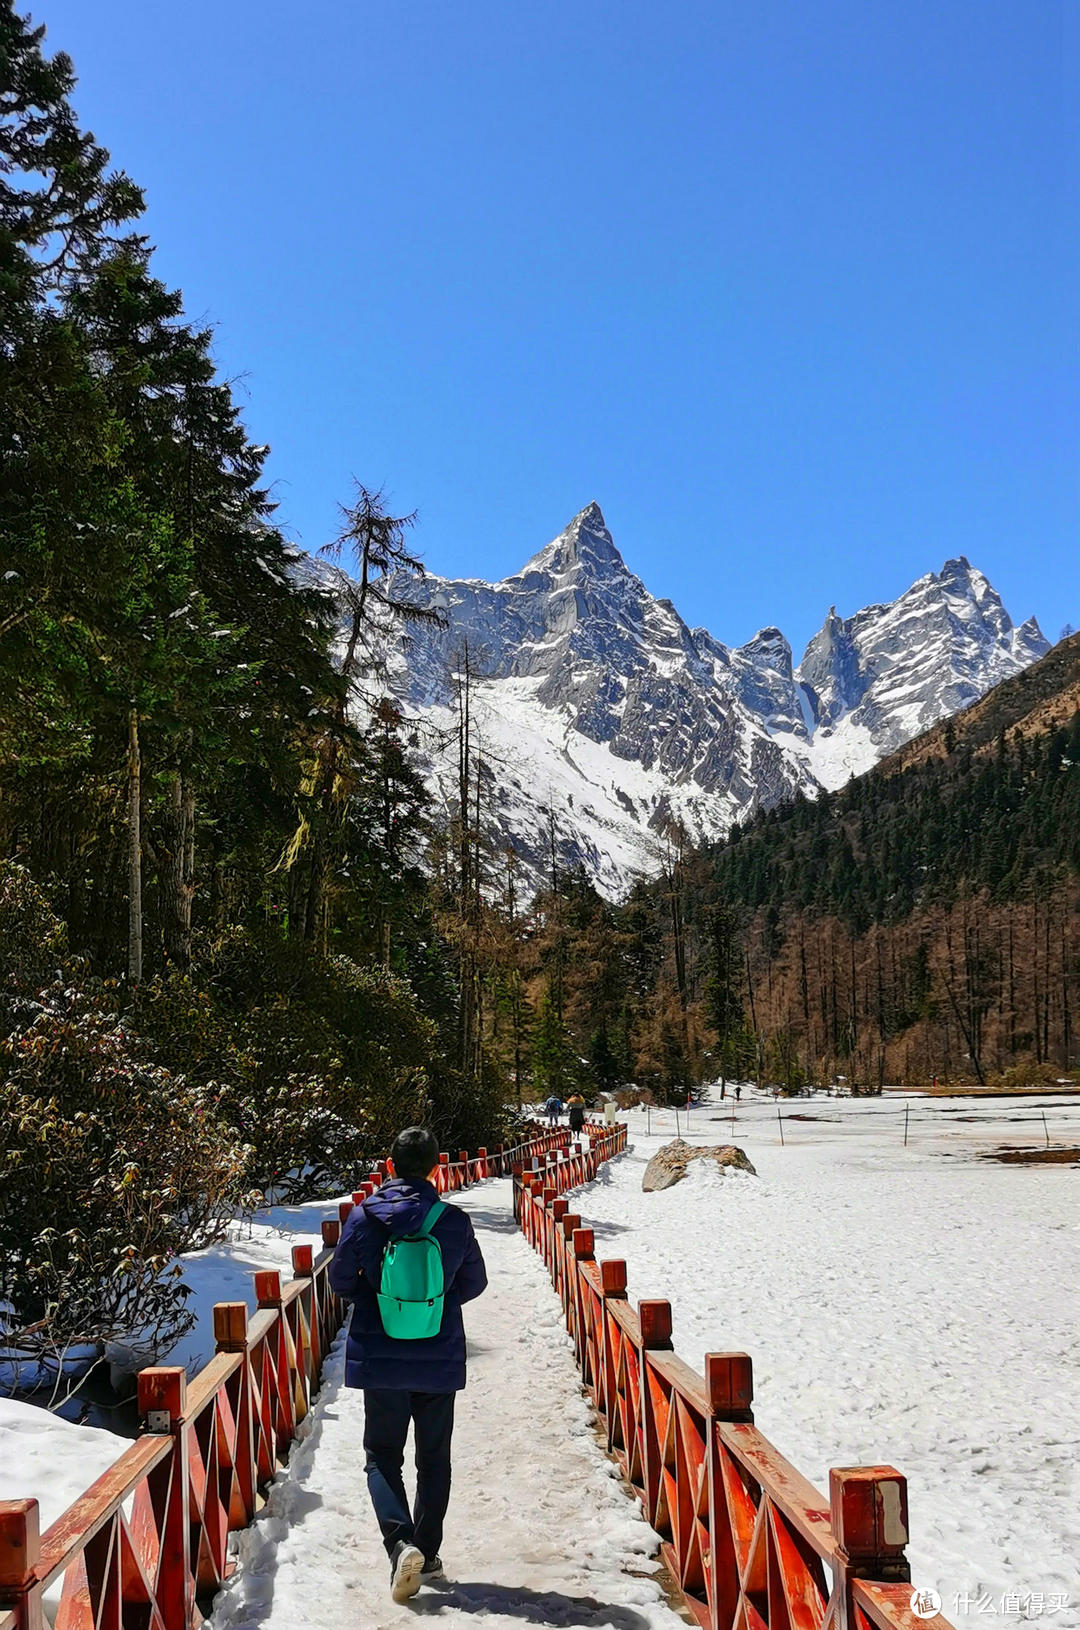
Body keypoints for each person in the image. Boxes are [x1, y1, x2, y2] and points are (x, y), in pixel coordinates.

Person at [329, 1126, 488, 1604]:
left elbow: (339, 1280)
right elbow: (476, 1281)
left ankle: (399, 1544)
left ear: (390, 1163)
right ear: (436, 1167)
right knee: (434, 1458)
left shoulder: (364, 1217)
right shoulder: (453, 1220)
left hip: (381, 1357)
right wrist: (437, 1306)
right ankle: (427, 1550)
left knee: (382, 1456)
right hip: (437, 1358)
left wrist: (375, 1300)